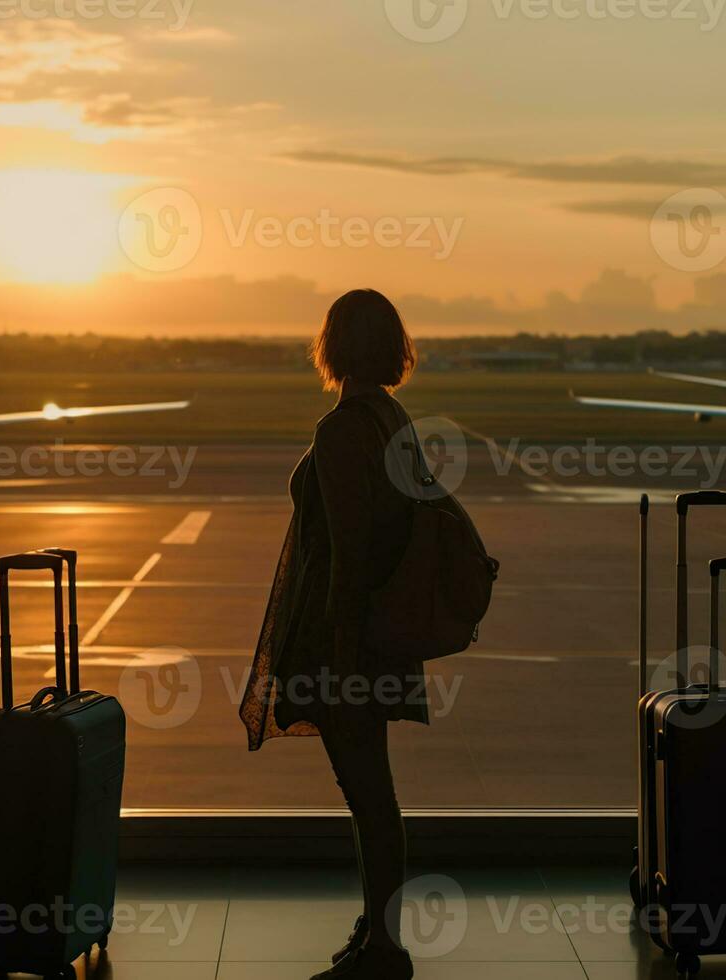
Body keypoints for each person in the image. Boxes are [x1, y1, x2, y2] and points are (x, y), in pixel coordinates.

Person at [239, 288, 428, 979]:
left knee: (368, 795)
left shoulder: (346, 427)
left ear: (332, 343)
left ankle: (384, 947)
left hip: (350, 642)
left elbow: (349, 550)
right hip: (377, 635)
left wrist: (343, 654)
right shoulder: (389, 416)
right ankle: (376, 928)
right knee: (372, 793)